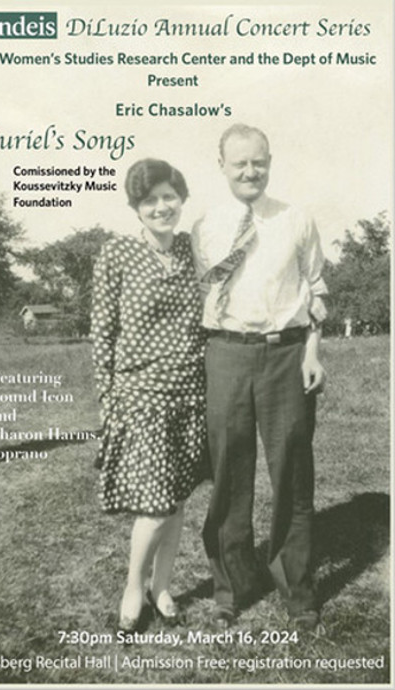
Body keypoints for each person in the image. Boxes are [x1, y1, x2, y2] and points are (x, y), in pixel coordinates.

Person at [192, 124, 327, 630]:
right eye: (239, 163)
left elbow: (315, 290)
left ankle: (297, 587)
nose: (251, 172)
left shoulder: (296, 218)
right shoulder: (204, 226)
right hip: (225, 354)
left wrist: (313, 351)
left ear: (270, 161)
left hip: (286, 355)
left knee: (291, 471)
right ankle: (232, 584)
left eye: (259, 162)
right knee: (229, 473)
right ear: (221, 165)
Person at [90, 159, 206, 631]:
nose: (161, 207)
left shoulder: (190, 250)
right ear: (135, 208)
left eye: (168, 197)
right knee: (155, 504)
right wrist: (106, 396)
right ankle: (133, 587)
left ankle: (162, 586)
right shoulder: (116, 254)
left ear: (181, 198)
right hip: (140, 395)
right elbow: (101, 330)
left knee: (176, 499)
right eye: (149, 200)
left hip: (190, 392)